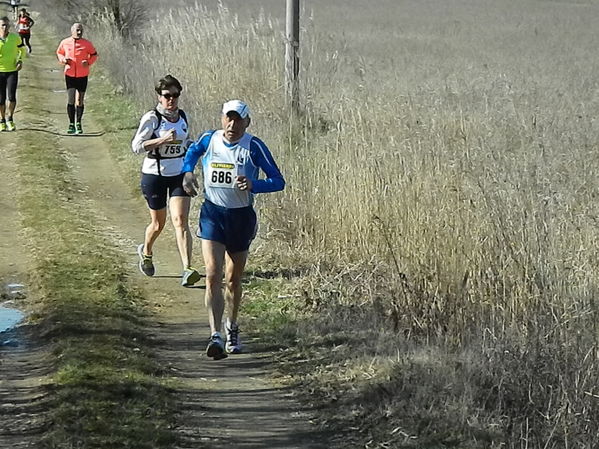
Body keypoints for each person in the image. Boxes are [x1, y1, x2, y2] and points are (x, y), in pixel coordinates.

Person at [182, 100, 285, 360]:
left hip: (240, 218)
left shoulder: (254, 145)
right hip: (212, 213)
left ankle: (232, 325)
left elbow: (278, 181)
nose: (232, 124)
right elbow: (192, 153)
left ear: (247, 122)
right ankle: (215, 334)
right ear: (221, 119)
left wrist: (253, 185)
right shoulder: (210, 139)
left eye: (238, 120)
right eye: (228, 118)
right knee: (213, 275)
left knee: (233, 279)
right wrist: (187, 173)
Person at [131, 75, 202, 288]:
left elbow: (184, 141)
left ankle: (188, 269)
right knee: (158, 224)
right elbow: (136, 146)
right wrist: (162, 140)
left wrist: (193, 147)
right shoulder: (152, 118)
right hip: (154, 175)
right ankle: (146, 251)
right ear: (159, 97)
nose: (171, 100)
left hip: (179, 175)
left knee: (180, 221)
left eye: (175, 95)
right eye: (167, 96)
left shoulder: (183, 116)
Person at [55, 22, 98, 135]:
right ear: (72, 31)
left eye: (81, 30)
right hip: (69, 74)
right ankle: (71, 124)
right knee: (71, 99)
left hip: (82, 75)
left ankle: (78, 123)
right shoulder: (65, 42)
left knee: (80, 100)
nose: (79, 32)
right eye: (77, 30)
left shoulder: (87, 44)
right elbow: (59, 52)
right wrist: (63, 60)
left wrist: (88, 62)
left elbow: (94, 55)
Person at [0, 16, 25, 132]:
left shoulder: (15, 38)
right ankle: (2, 120)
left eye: (6, 25)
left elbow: (22, 49)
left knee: (11, 96)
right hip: (0, 71)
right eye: (2, 25)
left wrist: (20, 60)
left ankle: (10, 118)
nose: (5, 28)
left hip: (12, 71)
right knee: (1, 99)